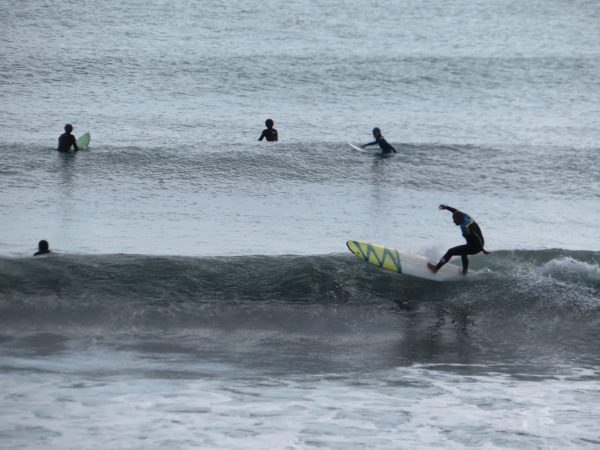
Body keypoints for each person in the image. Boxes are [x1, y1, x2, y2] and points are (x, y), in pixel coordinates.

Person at [427, 204, 490, 275]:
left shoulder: (465, 228)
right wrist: (446, 207)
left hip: (476, 246)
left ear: (459, 219)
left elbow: (475, 237)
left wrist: (482, 249)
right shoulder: (465, 216)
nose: (453, 221)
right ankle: (464, 272)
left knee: (450, 251)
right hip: (477, 243)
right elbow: (456, 211)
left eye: (455, 219)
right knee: (463, 252)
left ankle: (436, 268)